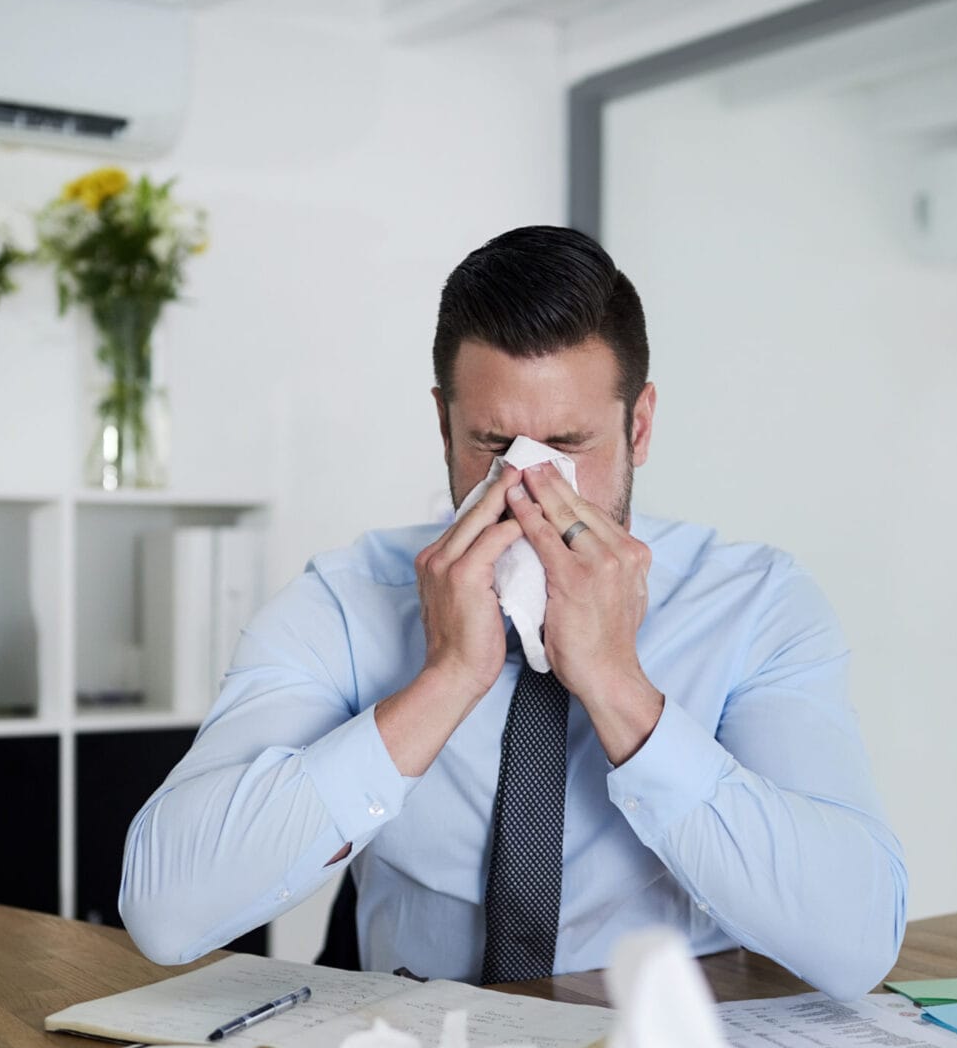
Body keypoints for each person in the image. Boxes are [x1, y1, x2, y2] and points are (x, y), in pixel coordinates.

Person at [120, 225, 906, 1000]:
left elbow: (855, 942)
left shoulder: (754, 604)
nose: (529, 488)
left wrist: (616, 685)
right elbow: (165, 911)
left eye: (570, 444)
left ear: (639, 427)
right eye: (493, 446)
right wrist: (447, 678)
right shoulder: (347, 600)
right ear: (443, 426)